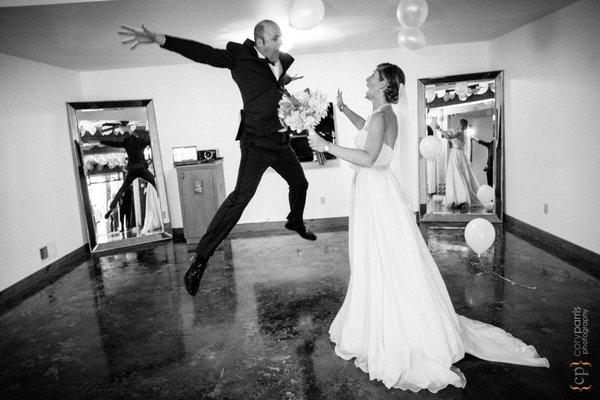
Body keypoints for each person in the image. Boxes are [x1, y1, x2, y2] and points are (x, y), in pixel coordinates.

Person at [308, 63, 548, 392]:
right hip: (376, 191)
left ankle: (392, 326)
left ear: (381, 84)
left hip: (376, 194)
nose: (366, 78)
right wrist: (346, 108)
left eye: (371, 76)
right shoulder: (383, 114)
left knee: (380, 258)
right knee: (379, 257)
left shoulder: (383, 116)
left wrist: (326, 145)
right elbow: (368, 131)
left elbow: (367, 156)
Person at [118, 21, 316, 296]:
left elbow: (270, 86)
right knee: (240, 199)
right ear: (259, 42)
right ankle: (200, 260)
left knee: (300, 183)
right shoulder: (240, 56)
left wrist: (285, 86)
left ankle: (295, 220)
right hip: (256, 143)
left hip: (280, 142)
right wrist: (162, 39)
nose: (279, 43)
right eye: (274, 38)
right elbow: (204, 53)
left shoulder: (280, 60)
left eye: (280, 38)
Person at [97, 123, 156, 219]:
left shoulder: (127, 141)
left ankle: (111, 208)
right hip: (141, 168)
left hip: (132, 169)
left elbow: (114, 144)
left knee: (122, 189)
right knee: (154, 182)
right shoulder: (140, 141)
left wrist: (101, 141)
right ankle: (161, 196)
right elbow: (149, 141)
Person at [433, 119, 481, 209]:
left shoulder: (459, 132)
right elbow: (449, 137)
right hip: (458, 154)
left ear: (461, 124)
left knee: (457, 174)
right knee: (457, 174)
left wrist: (439, 129)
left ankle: (461, 197)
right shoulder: (463, 133)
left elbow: (449, 137)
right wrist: (445, 133)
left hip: (456, 154)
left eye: (460, 123)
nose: (459, 125)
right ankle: (457, 197)